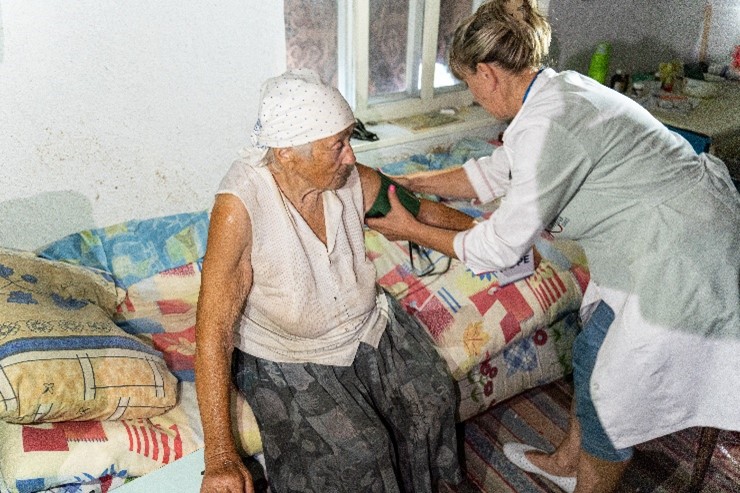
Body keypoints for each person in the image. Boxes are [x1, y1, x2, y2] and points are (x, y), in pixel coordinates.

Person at [366, 1, 740, 492]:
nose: (475, 97)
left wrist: (410, 229)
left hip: (680, 255)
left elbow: (500, 248)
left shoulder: (551, 121)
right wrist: (407, 180)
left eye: (470, 85)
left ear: (487, 73)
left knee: (615, 396)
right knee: (591, 350)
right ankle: (567, 462)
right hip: (655, 238)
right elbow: (488, 174)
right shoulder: (549, 95)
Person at [194, 69, 474, 493]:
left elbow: (418, 212)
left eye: (348, 139)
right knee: (360, 455)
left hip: (368, 325)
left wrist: (487, 235)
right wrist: (219, 457)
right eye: (336, 145)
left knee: (431, 401)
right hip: (289, 351)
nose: (350, 156)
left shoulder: (347, 178)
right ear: (287, 153)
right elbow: (212, 331)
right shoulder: (240, 207)